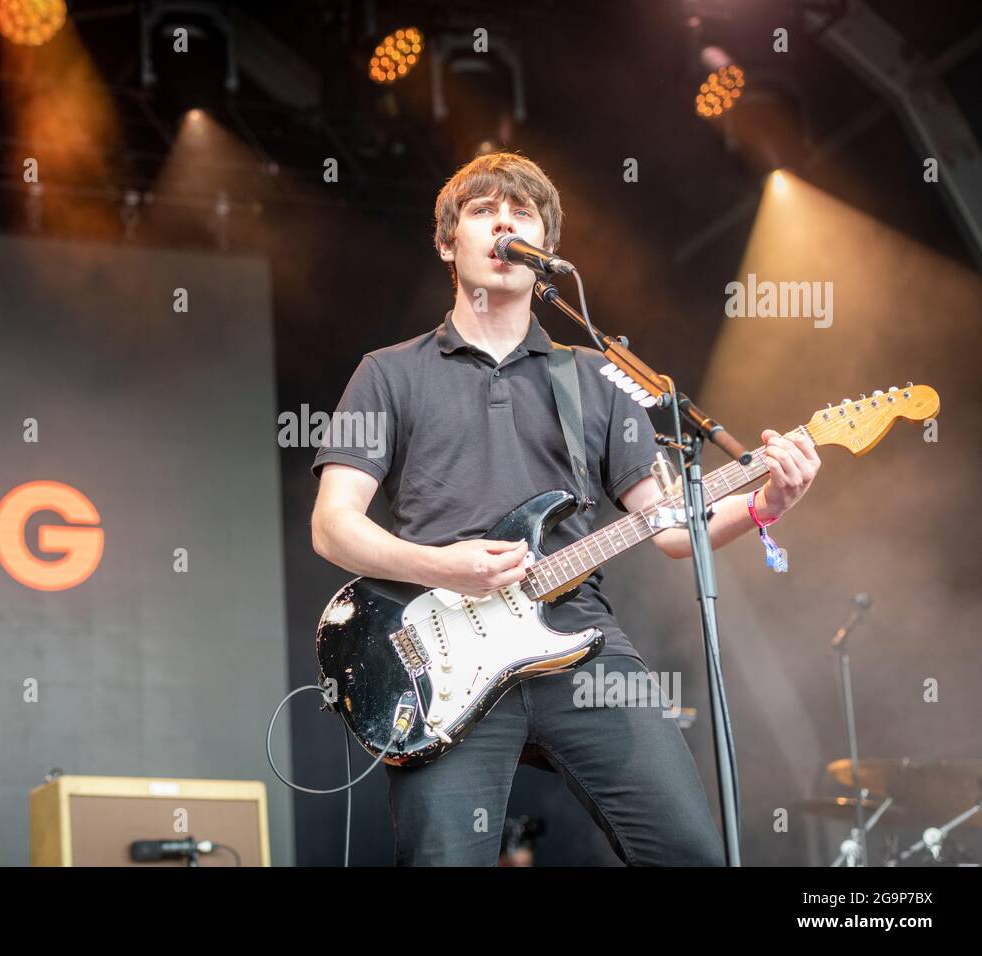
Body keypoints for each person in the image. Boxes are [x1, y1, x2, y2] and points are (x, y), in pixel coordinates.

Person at [309, 151, 821, 866]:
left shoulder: (598, 377)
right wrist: (443, 566)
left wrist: (767, 501)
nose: (505, 223)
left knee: (689, 852)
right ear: (447, 241)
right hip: (441, 664)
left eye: (523, 215)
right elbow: (333, 525)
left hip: (580, 645)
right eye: (485, 211)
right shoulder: (389, 373)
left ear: (546, 251)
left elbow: (676, 530)